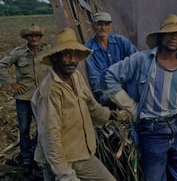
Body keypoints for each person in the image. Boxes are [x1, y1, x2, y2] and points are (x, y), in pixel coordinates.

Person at [102, 14, 177, 181]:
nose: (174, 38)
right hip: (152, 131)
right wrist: (133, 107)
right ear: (160, 36)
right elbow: (110, 76)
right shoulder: (143, 60)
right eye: (169, 33)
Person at [31, 28, 117, 181]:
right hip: (60, 161)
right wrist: (65, 174)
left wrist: (110, 115)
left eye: (75, 54)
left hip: (81, 154)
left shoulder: (75, 75)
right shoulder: (50, 90)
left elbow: (90, 104)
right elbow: (50, 136)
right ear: (56, 57)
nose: (72, 59)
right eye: (66, 54)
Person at [0, 24, 49, 168]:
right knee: (24, 129)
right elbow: (1, 65)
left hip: (42, 97)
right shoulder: (18, 53)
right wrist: (11, 83)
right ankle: (26, 157)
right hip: (24, 98)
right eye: (31, 36)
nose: (34, 38)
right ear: (26, 38)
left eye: (36, 36)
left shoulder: (47, 51)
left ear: (40, 37)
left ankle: (43, 155)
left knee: (45, 127)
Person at [85, 11, 137, 108]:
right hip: (106, 91)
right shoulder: (88, 49)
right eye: (99, 24)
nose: (103, 28)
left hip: (126, 84)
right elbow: (95, 81)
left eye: (106, 24)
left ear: (110, 27)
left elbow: (137, 61)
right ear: (93, 26)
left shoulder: (121, 41)